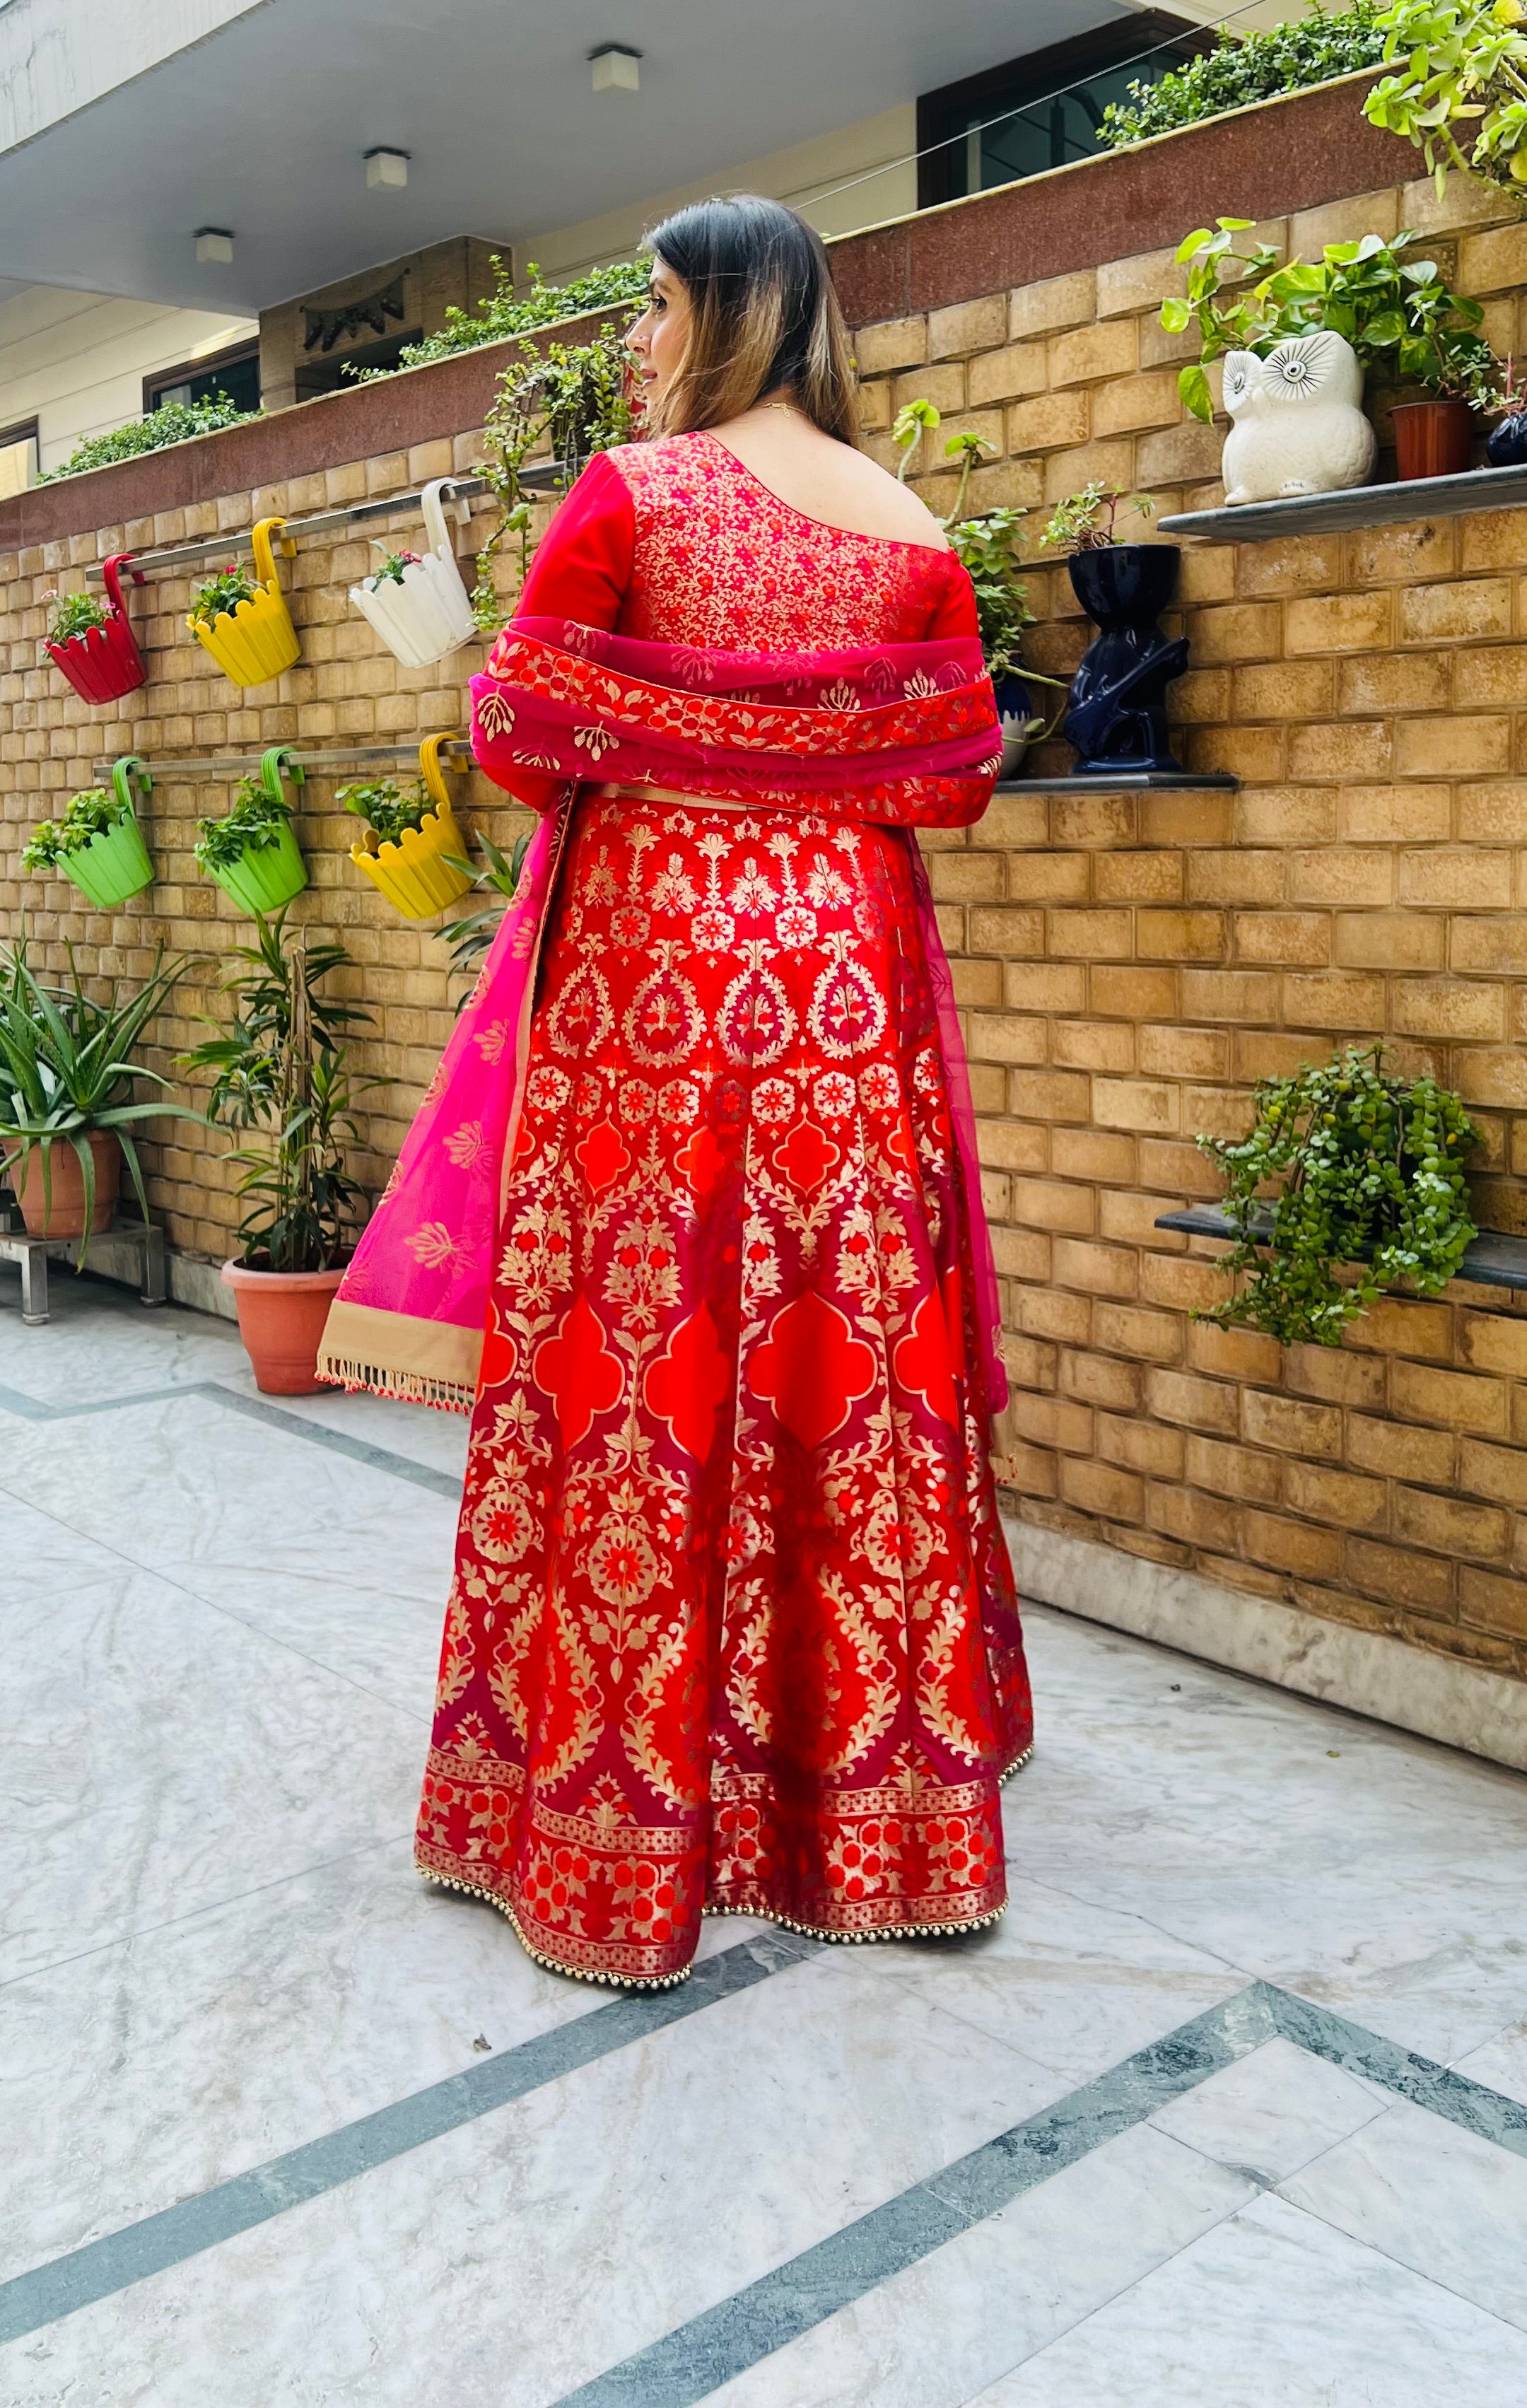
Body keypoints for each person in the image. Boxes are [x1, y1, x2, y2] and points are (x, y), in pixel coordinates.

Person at [320, 194, 1033, 1987]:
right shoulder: (909, 523)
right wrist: (800, 749)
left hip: (655, 992)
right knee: (838, 1364)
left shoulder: (635, 496)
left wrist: (666, 722)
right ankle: (877, 1826)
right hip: (844, 999)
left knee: (633, 1372)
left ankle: (611, 1827)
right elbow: (949, 773)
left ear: (722, 311)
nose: (637, 344)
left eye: (650, 310)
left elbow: (519, 730)